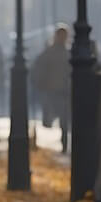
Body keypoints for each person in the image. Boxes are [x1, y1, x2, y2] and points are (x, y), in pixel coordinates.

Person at [32, 24, 71, 153]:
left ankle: (64, 143)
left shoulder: (68, 53)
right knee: (55, 116)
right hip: (53, 90)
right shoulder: (50, 52)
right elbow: (38, 68)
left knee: (64, 119)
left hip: (64, 91)